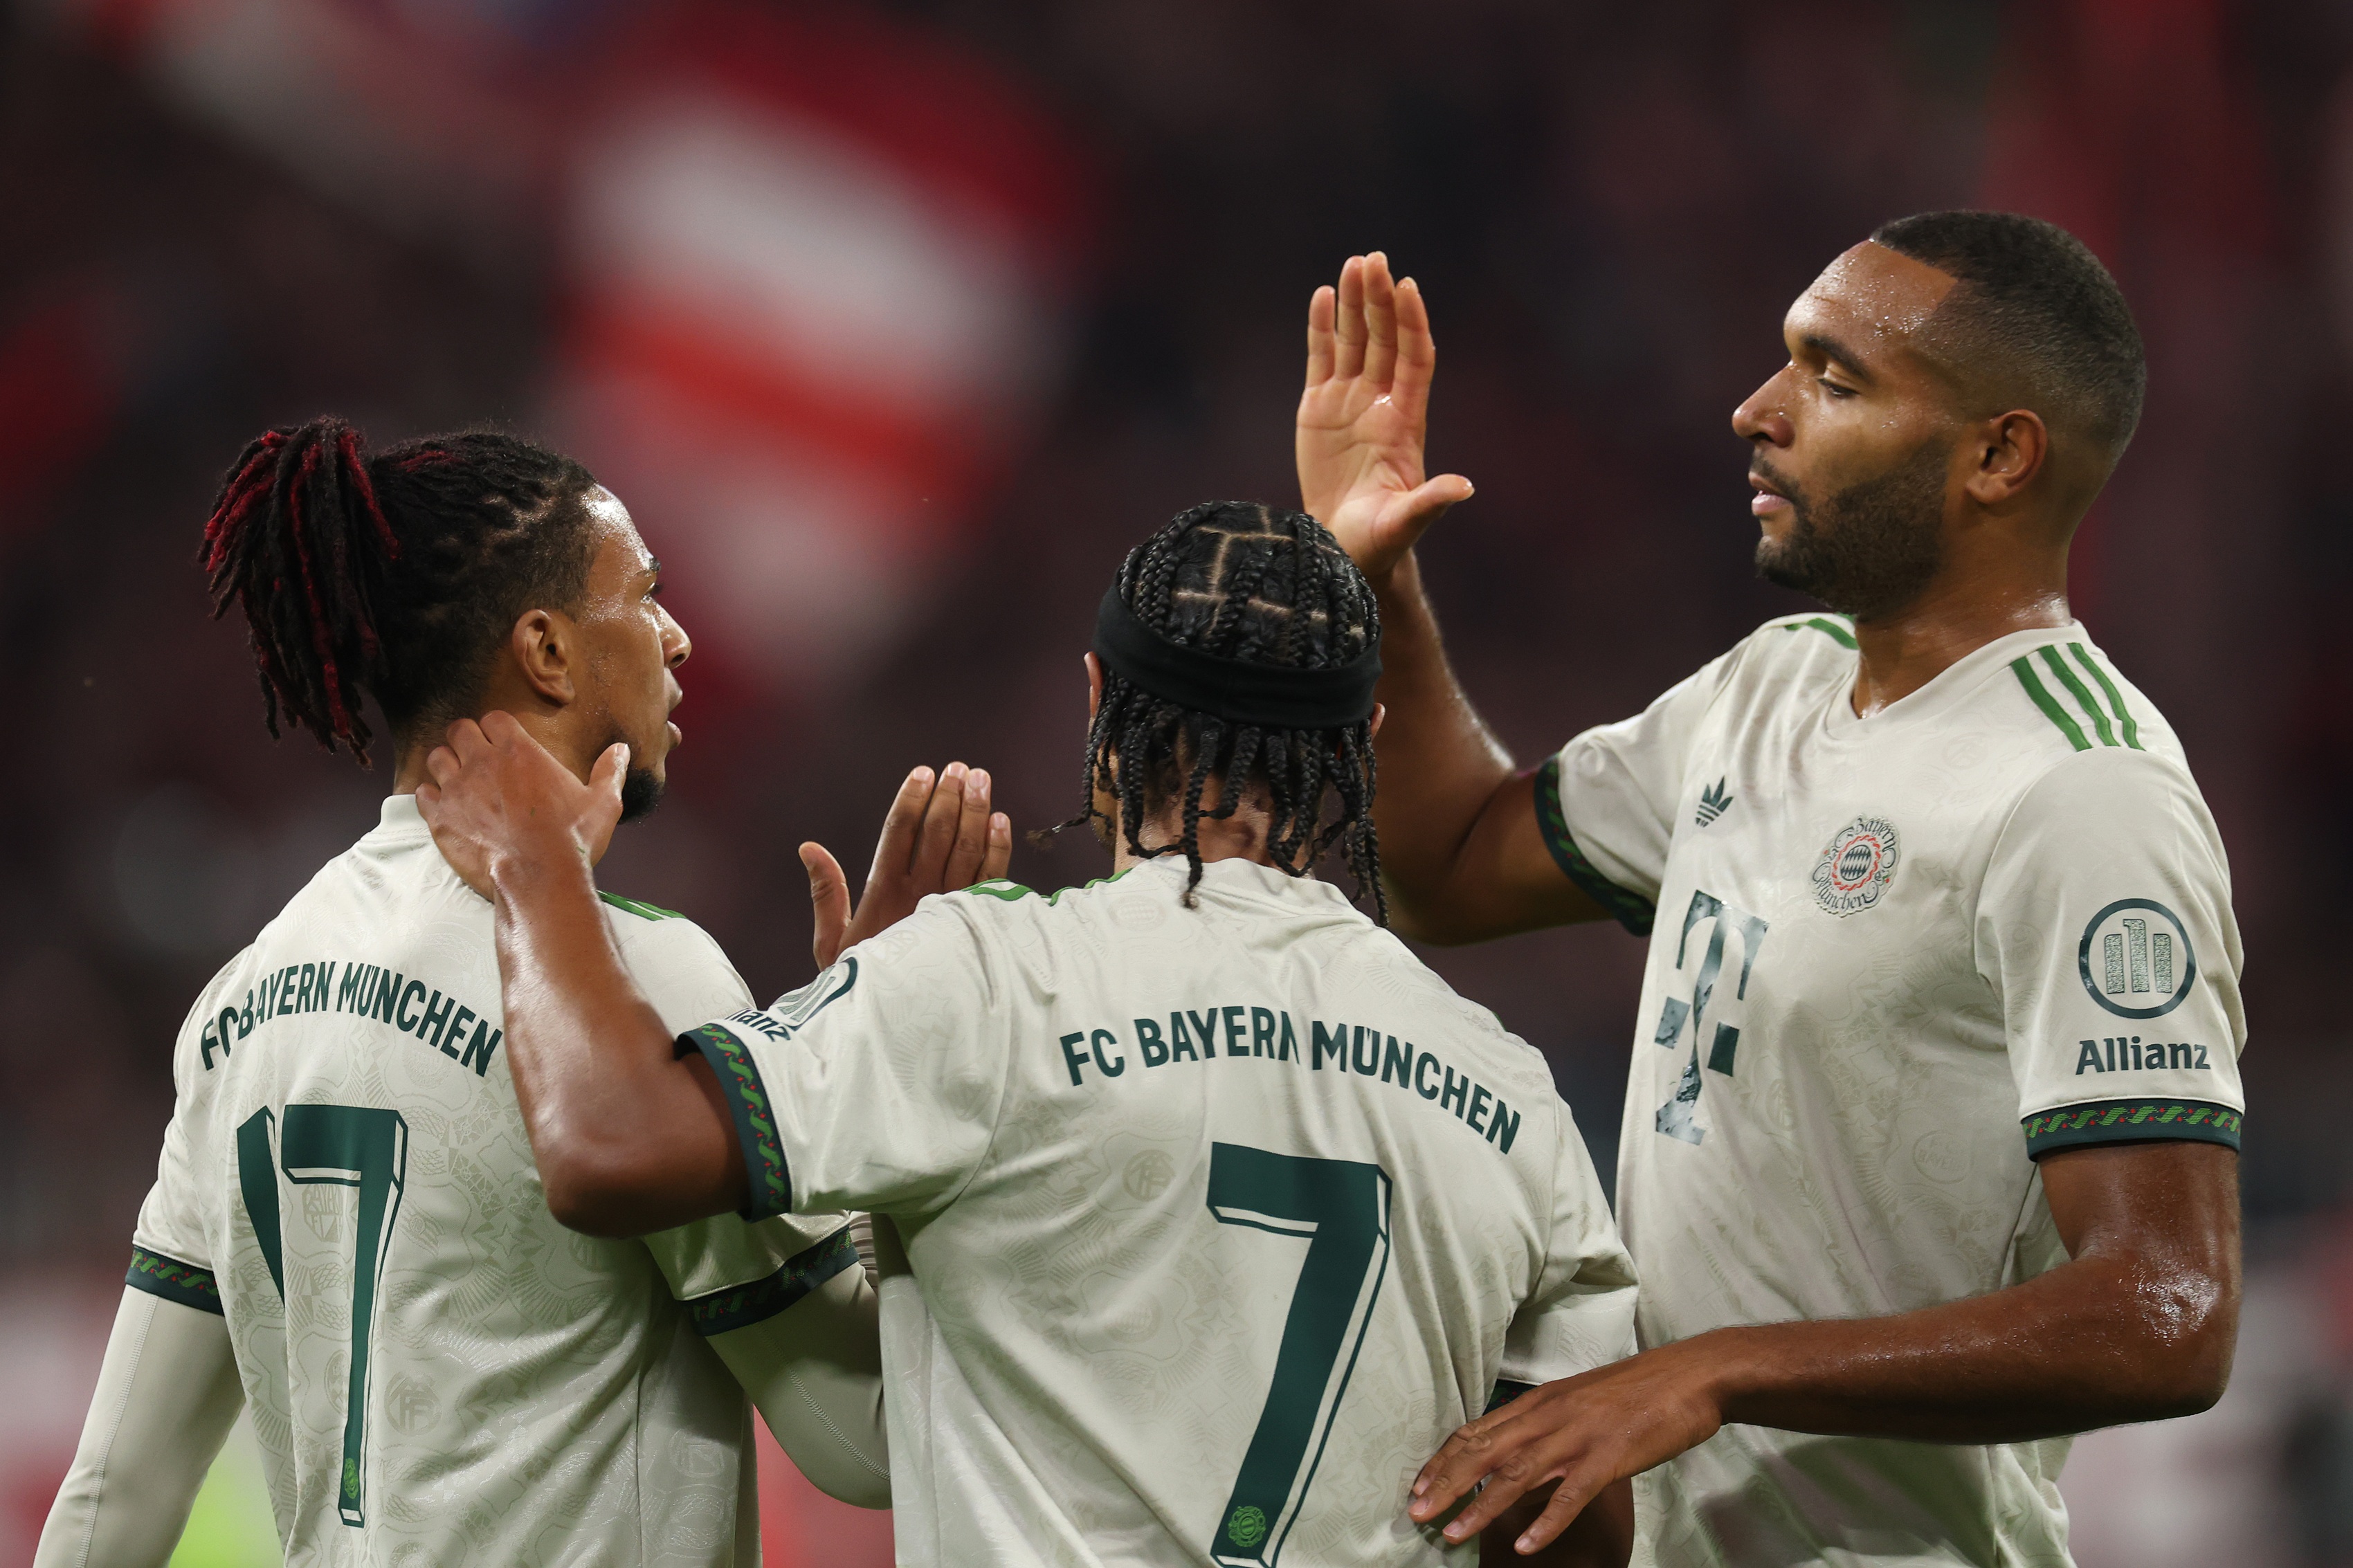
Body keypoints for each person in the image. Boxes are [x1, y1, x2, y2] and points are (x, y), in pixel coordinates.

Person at [409, 500, 1642, 1567]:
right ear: (1362, 752)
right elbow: (1575, 1526)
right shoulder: (1511, 1089)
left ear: (1098, 701)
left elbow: (609, 1146)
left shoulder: (994, 983)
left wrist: (536, 864)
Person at [1293, 226, 2246, 1565]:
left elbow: (2167, 1310)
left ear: (1998, 456)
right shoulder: (1776, 685)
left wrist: (1719, 1368)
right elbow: (1447, 865)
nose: (1757, 410)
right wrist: (1378, 578)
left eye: (1834, 379)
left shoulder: (2081, 793)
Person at [35, 419, 1010, 1567]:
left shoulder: (242, 1002)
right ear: (546, 651)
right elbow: (869, 1440)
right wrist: (887, 1082)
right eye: (643, 594)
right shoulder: (635, 985)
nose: (678, 636)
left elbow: (112, 1501)